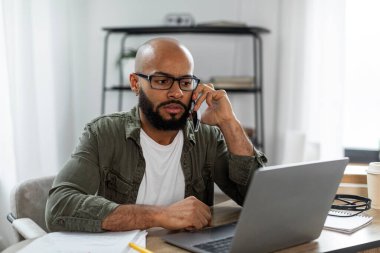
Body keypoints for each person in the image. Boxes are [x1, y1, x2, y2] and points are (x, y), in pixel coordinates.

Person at [45, 37, 267, 233]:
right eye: (162, 81)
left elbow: (259, 201)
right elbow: (59, 206)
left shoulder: (207, 137)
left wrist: (229, 123)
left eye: (185, 82)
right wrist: (159, 215)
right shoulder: (103, 133)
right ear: (135, 83)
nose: (177, 93)